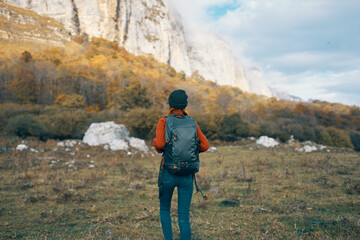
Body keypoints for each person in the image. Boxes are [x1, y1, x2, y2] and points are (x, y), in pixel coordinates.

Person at [153, 89, 209, 240]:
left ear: (170, 104)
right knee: (183, 215)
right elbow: (205, 145)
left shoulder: (164, 121)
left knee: (165, 210)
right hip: (187, 175)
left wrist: (160, 144)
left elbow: (159, 146)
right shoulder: (192, 122)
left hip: (168, 173)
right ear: (185, 105)